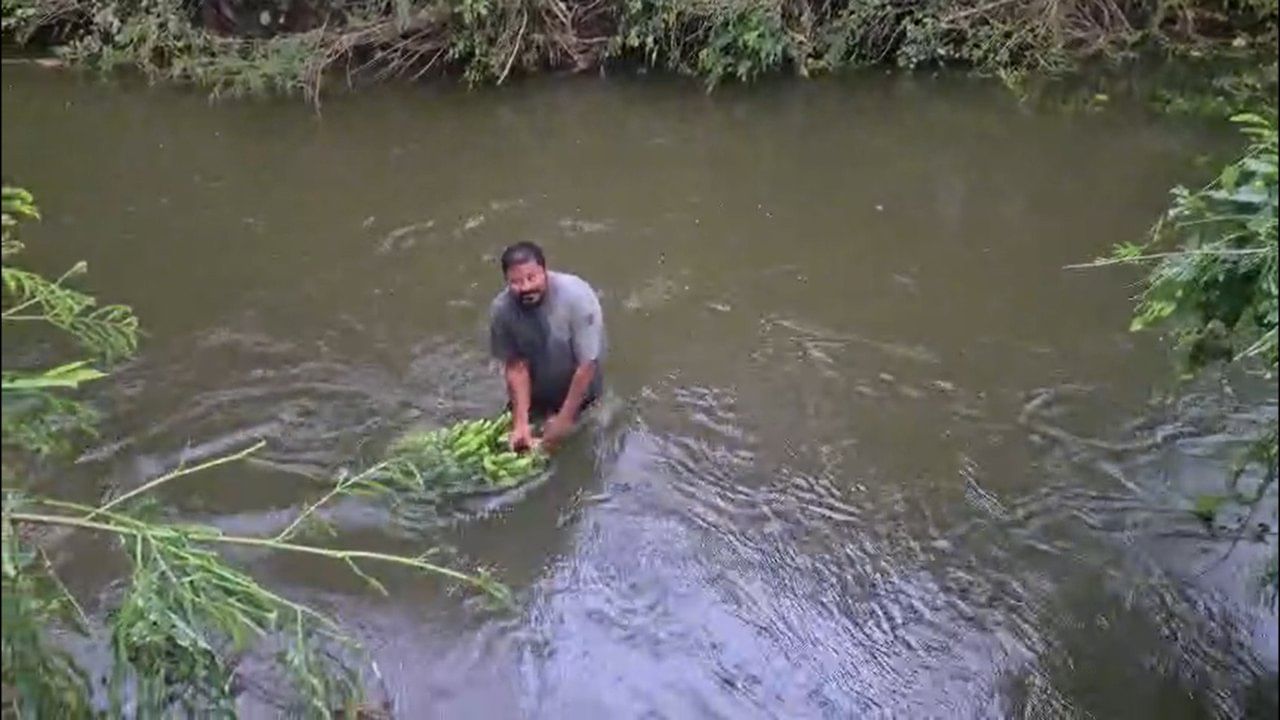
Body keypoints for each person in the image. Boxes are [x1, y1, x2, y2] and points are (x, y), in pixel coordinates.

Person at [489, 241, 604, 452]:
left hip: (581, 394)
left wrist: (564, 420)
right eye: (515, 282)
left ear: (545, 270)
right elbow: (516, 365)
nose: (525, 287)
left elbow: (586, 365)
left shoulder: (577, 298)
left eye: (531, 277)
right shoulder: (502, 310)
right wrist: (521, 422)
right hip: (537, 393)